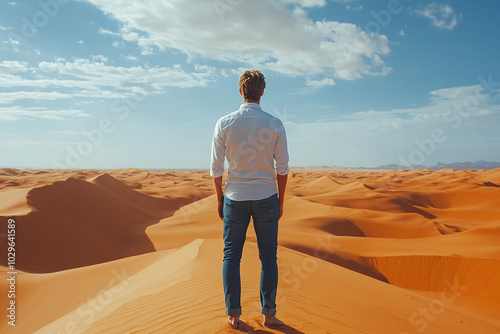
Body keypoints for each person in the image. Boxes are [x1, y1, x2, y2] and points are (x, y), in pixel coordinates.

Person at [210, 70, 289, 332]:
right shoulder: (275, 124)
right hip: (266, 196)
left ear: (240, 91)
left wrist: (220, 198)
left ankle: (233, 315)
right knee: (268, 257)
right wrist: (280, 200)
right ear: (262, 92)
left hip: (235, 197)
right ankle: (269, 315)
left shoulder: (224, 123)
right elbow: (283, 167)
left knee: (231, 255)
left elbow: (216, 167)